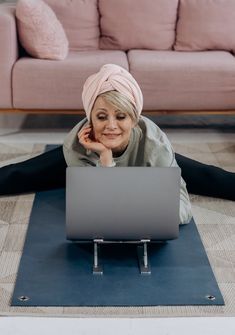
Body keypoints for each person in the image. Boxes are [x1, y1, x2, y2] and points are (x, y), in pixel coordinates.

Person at [0, 64, 234, 222]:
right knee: (21, 174)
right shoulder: (76, 147)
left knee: (208, 176)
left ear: (134, 119)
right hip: (91, 156)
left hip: (142, 156)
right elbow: (99, 206)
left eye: (121, 116)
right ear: (89, 119)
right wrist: (104, 156)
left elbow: (183, 210)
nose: (111, 125)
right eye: (101, 117)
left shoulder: (155, 144)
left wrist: (142, 210)